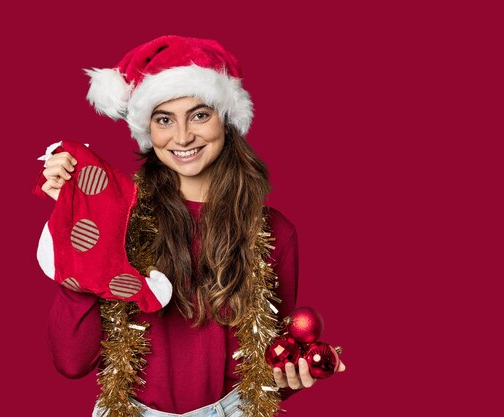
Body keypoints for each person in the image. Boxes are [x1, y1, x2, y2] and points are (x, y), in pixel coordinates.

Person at [35, 35, 345, 417]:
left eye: (200, 115)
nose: (182, 137)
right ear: (148, 130)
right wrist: (76, 224)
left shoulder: (273, 233)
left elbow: (265, 369)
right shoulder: (120, 217)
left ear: (226, 119)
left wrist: (293, 374)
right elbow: (71, 362)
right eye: (164, 119)